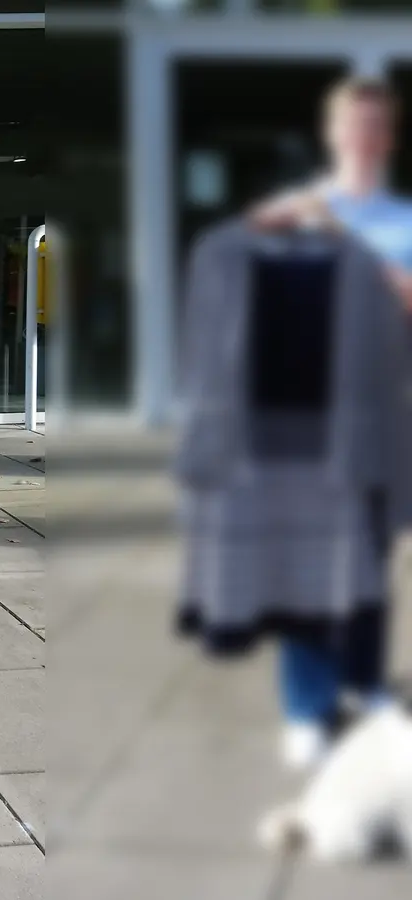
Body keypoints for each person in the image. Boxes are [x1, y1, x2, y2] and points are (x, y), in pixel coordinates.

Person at [244, 77, 412, 770]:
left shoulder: (403, 221)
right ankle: (309, 707)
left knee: (369, 566)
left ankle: (366, 686)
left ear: (389, 136)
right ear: (333, 132)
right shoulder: (290, 215)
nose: (364, 137)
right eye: (353, 124)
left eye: (376, 125)